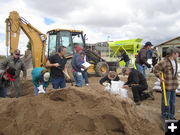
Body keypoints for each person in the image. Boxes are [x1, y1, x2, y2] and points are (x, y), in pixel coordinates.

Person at [153, 47, 179, 121]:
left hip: (173, 85)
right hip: (167, 85)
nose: (178, 55)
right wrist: (160, 77)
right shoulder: (164, 62)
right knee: (166, 102)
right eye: (177, 54)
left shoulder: (175, 61)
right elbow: (155, 69)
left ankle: (171, 115)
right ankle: (164, 116)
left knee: (173, 102)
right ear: (173, 54)